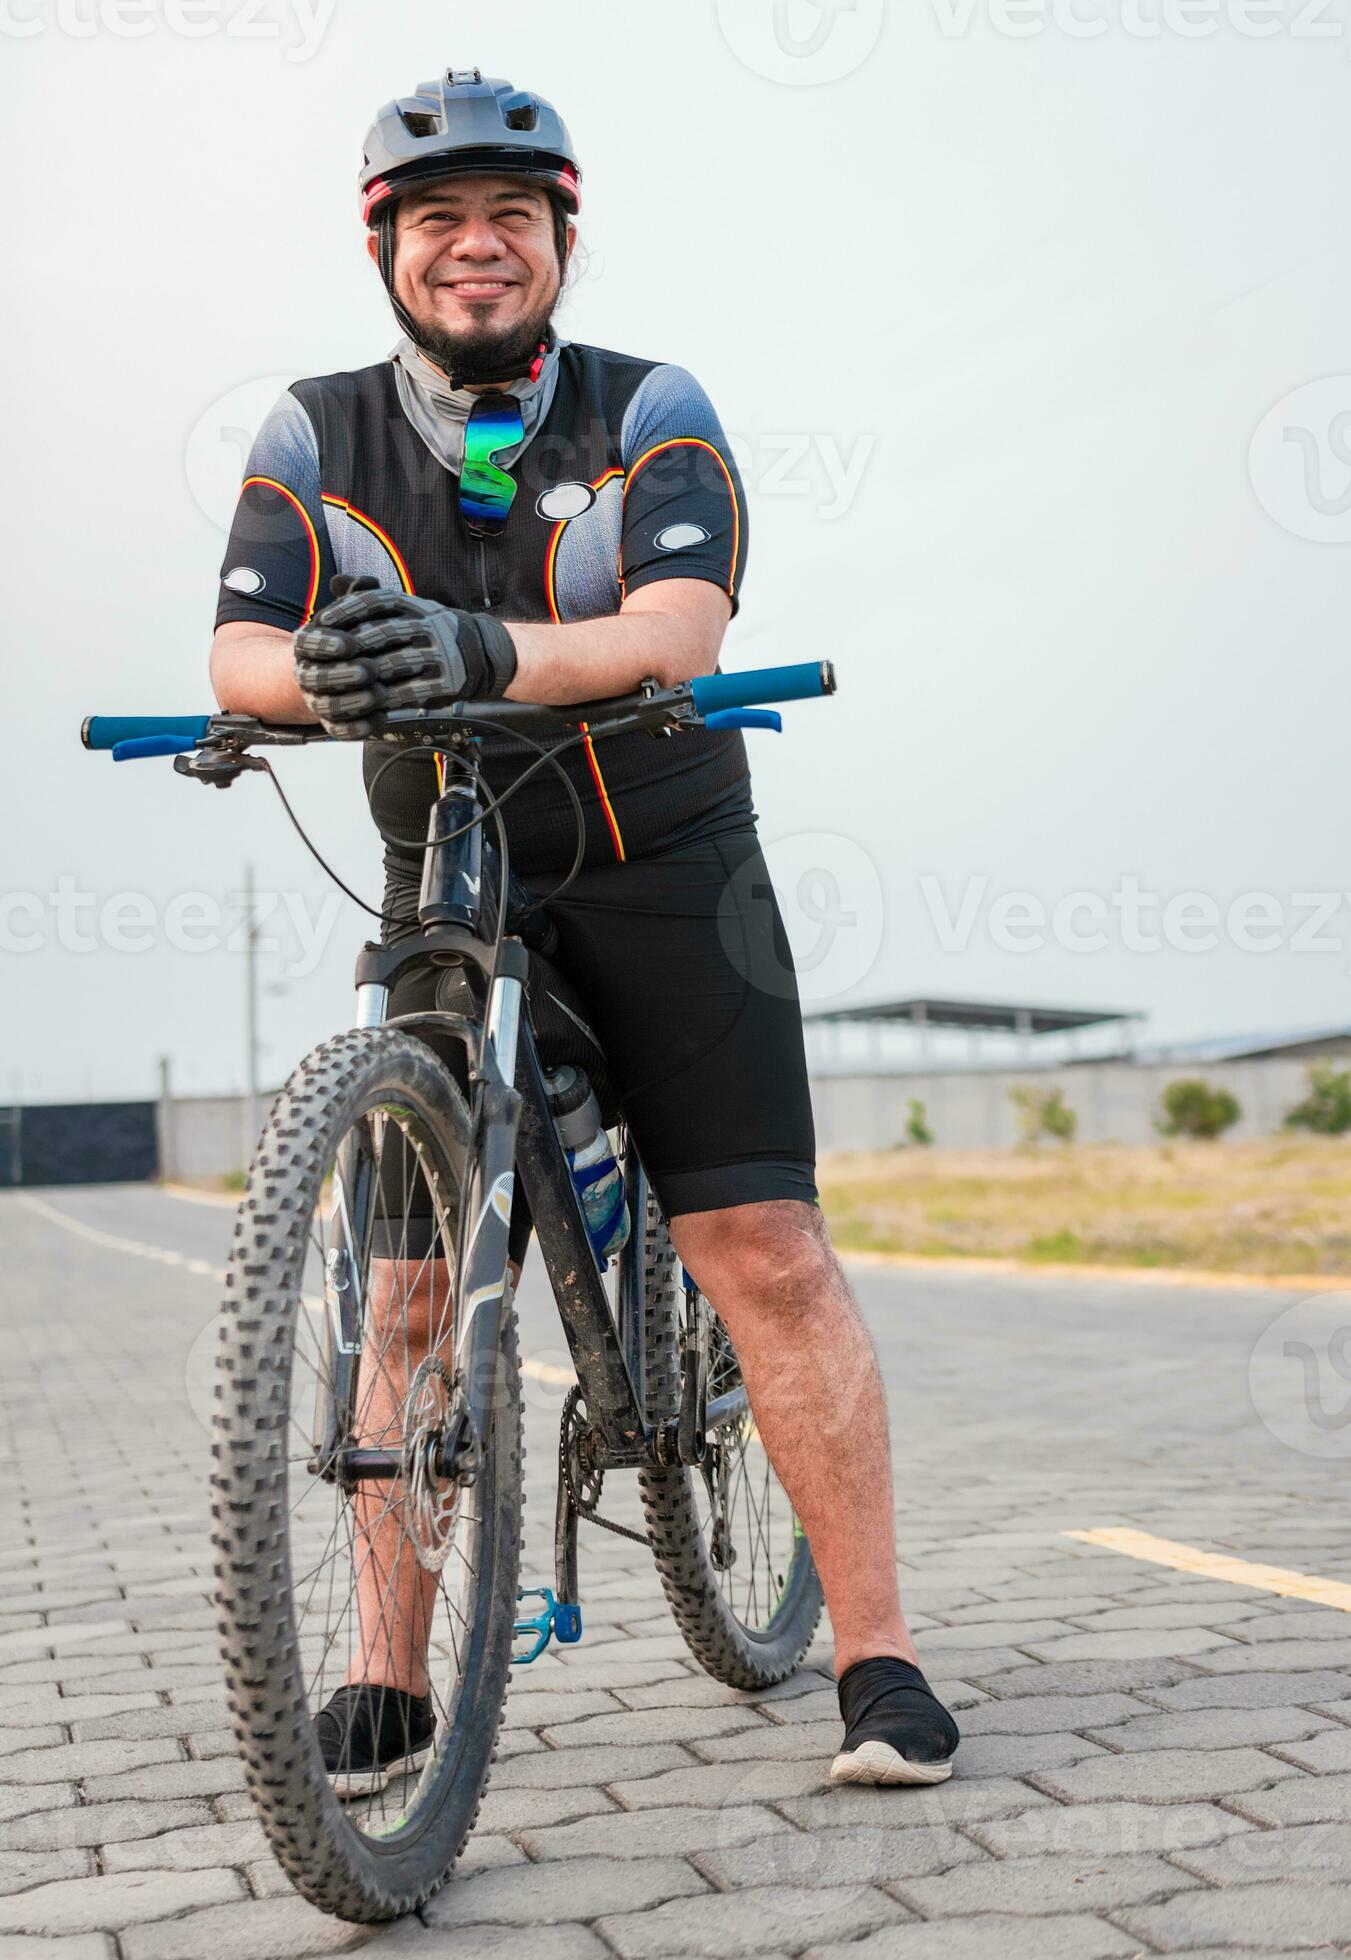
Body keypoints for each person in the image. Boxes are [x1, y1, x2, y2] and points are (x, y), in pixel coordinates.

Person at [207, 69, 957, 1791]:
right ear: (386, 244)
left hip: (665, 864)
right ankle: (389, 1676)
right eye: (442, 222)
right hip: (445, 880)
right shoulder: (314, 432)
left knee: (760, 1249)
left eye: (514, 222)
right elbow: (239, 656)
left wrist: (477, 659)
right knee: (401, 1301)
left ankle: (878, 1657)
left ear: (559, 240)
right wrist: (314, 674)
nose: (480, 251)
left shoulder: (647, 403)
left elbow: (678, 627)